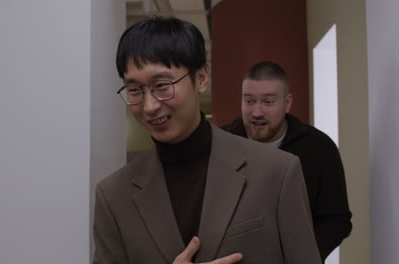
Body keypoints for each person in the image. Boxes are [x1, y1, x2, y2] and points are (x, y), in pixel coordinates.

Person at [92, 17, 321, 264]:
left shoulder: (277, 172)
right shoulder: (114, 196)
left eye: (162, 85)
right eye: (135, 90)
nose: (149, 106)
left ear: (201, 78)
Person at [222, 61, 352, 261]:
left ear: (287, 102)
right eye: (249, 101)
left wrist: (303, 255)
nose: (257, 112)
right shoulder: (220, 144)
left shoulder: (320, 148)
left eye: (268, 102)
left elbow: (337, 219)